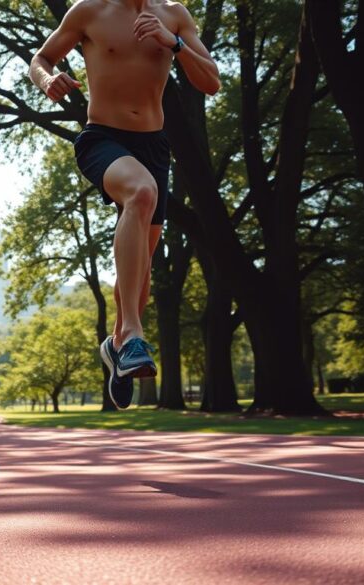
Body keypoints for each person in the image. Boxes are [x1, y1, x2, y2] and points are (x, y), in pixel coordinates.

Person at [29, 0, 220, 408]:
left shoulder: (174, 16)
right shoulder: (89, 11)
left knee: (141, 278)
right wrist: (47, 80)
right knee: (142, 191)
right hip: (102, 138)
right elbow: (41, 58)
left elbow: (211, 82)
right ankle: (133, 333)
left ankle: (117, 345)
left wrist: (173, 45)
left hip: (154, 145)